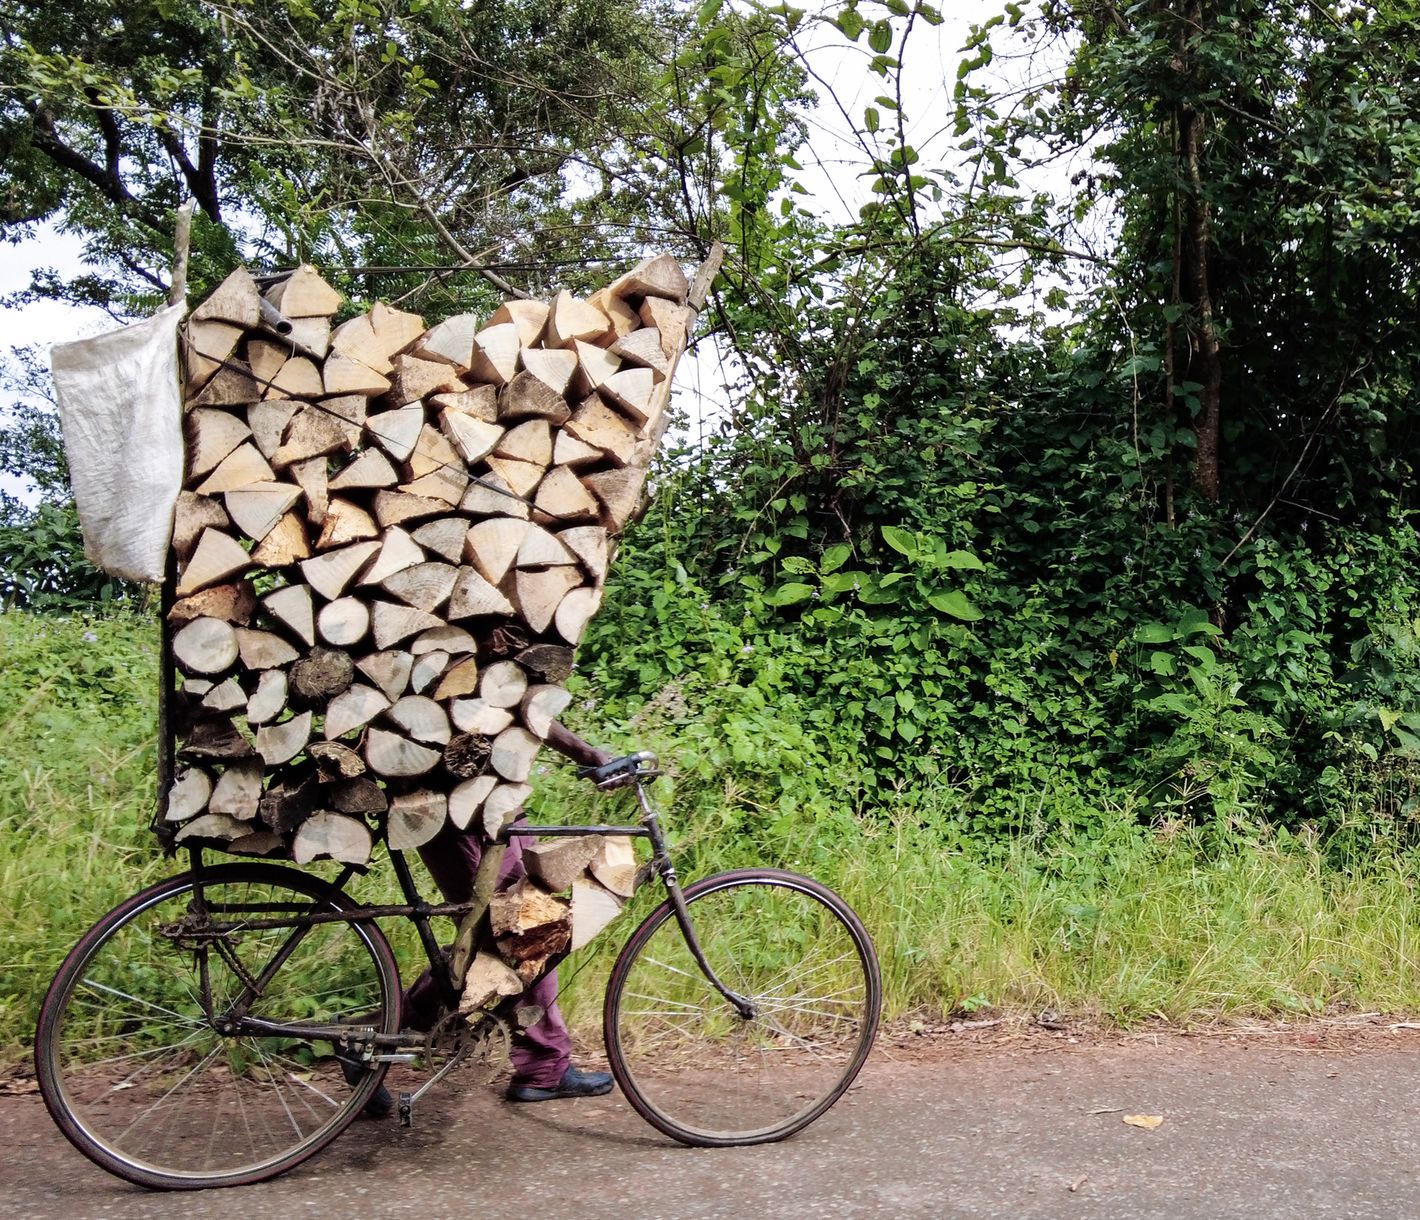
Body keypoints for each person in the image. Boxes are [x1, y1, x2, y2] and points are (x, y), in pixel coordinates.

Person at [357, 720, 614, 1117]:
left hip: (497, 804)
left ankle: (544, 1065)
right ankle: (366, 1038)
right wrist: (588, 754)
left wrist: (588, 754)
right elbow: (515, 708)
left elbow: (523, 704)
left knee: (527, 930)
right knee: (510, 935)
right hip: (457, 810)